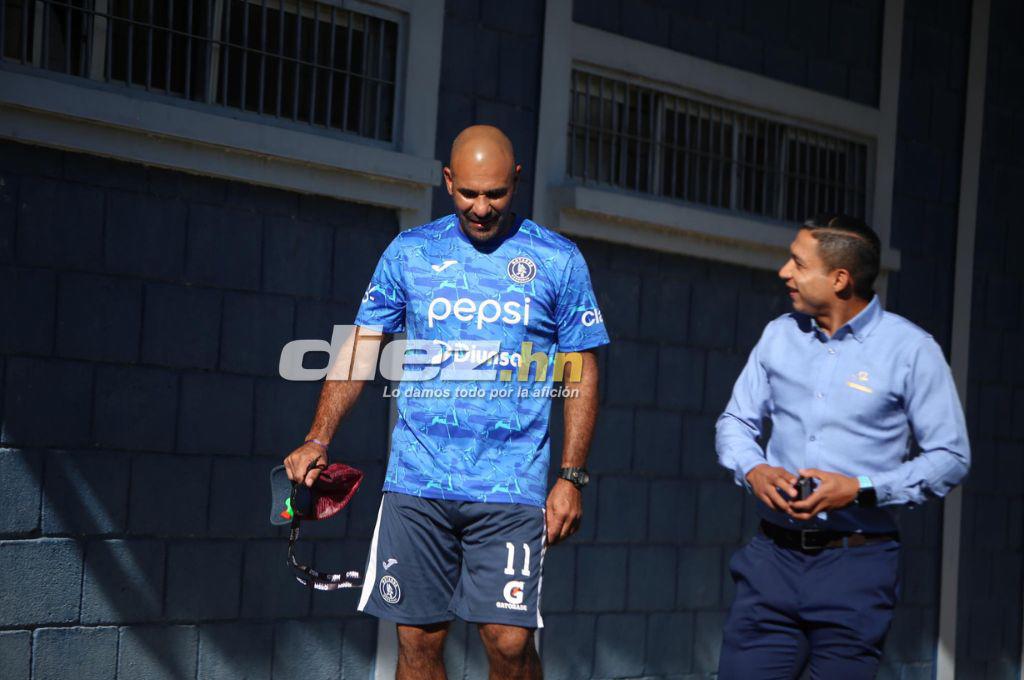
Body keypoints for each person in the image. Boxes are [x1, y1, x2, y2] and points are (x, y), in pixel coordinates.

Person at [283, 125, 609, 679]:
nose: (481, 208)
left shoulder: (558, 260)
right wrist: (319, 437)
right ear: (448, 180)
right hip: (418, 483)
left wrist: (571, 476)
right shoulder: (410, 252)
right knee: (417, 640)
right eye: (469, 193)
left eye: (496, 194)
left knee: (509, 643)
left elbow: (581, 372)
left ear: (517, 181)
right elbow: (361, 346)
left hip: (510, 485)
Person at [715, 214, 970, 678]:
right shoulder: (779, 335)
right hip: (771, 563)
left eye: (798, 263)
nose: (784, 272)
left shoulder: (912, 350)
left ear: (840, 279)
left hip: (857, 568)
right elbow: (735, 421)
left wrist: (860, 489)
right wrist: (754, 469)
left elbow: (950, 458)